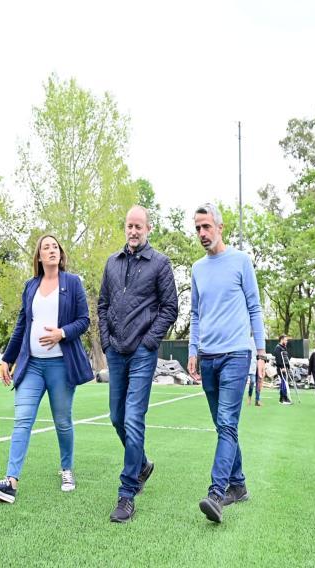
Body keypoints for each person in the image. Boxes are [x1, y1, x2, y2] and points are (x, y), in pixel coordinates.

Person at [0, 234, 92, 504]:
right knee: (22, 420)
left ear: (60, 254)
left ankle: (66, 469)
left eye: (55, 246)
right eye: (46, 247)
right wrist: (7, 359)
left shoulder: (73, 283)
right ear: (39, 257)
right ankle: (10, 482)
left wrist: (62, 333)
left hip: (61, 366)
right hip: (32, 366)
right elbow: (22, 325)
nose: (51, 250)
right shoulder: (30, 286)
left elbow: (84, 320)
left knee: (62, 421)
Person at [186, 202, 266, 523]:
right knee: (223, 426)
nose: (202, 233)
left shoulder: (241, 261)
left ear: (220, 227)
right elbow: (194, 314)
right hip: (207, 357)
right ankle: (240, 485)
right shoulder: (196, 269)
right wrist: (193, 350)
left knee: (228, 423)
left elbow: (255, 308)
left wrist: (260, 354)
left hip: (236, 354)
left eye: (206, 227)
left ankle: (217, 493)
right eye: (198, 228)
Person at [98, 205, 178, 523]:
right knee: (117, 417)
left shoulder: (160, 264)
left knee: (133, 418)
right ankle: (142, 464)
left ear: (148, 229)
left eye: (138, 226)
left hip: (143, 353)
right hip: (115, 351)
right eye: (129, 226)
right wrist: (106, 342)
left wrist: (149, 341)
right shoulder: (112, 263)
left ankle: (127, 493)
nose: (133, 231)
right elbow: (103, 304)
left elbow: (170, 308)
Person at [273, 334, 293, 405]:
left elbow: (285, 358)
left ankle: (282, 398)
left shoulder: (284, 347)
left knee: (284, 383)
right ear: (281, 340)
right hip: (281, 368)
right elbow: (278, 359)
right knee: (284, 383)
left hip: (285, 367)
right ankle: (284, 398)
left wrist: (288, 367)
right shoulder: (278, 348)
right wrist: (282, 367)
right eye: (285, 340)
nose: (286, 341)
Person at [247, 336, 262, 406]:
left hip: (259, 364)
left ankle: (257, 400)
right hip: (252, 364)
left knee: (259, 382)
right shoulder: (250, 340)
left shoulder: (261, 341)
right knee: (252, 381)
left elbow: (262, 353)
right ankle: (249, 396)